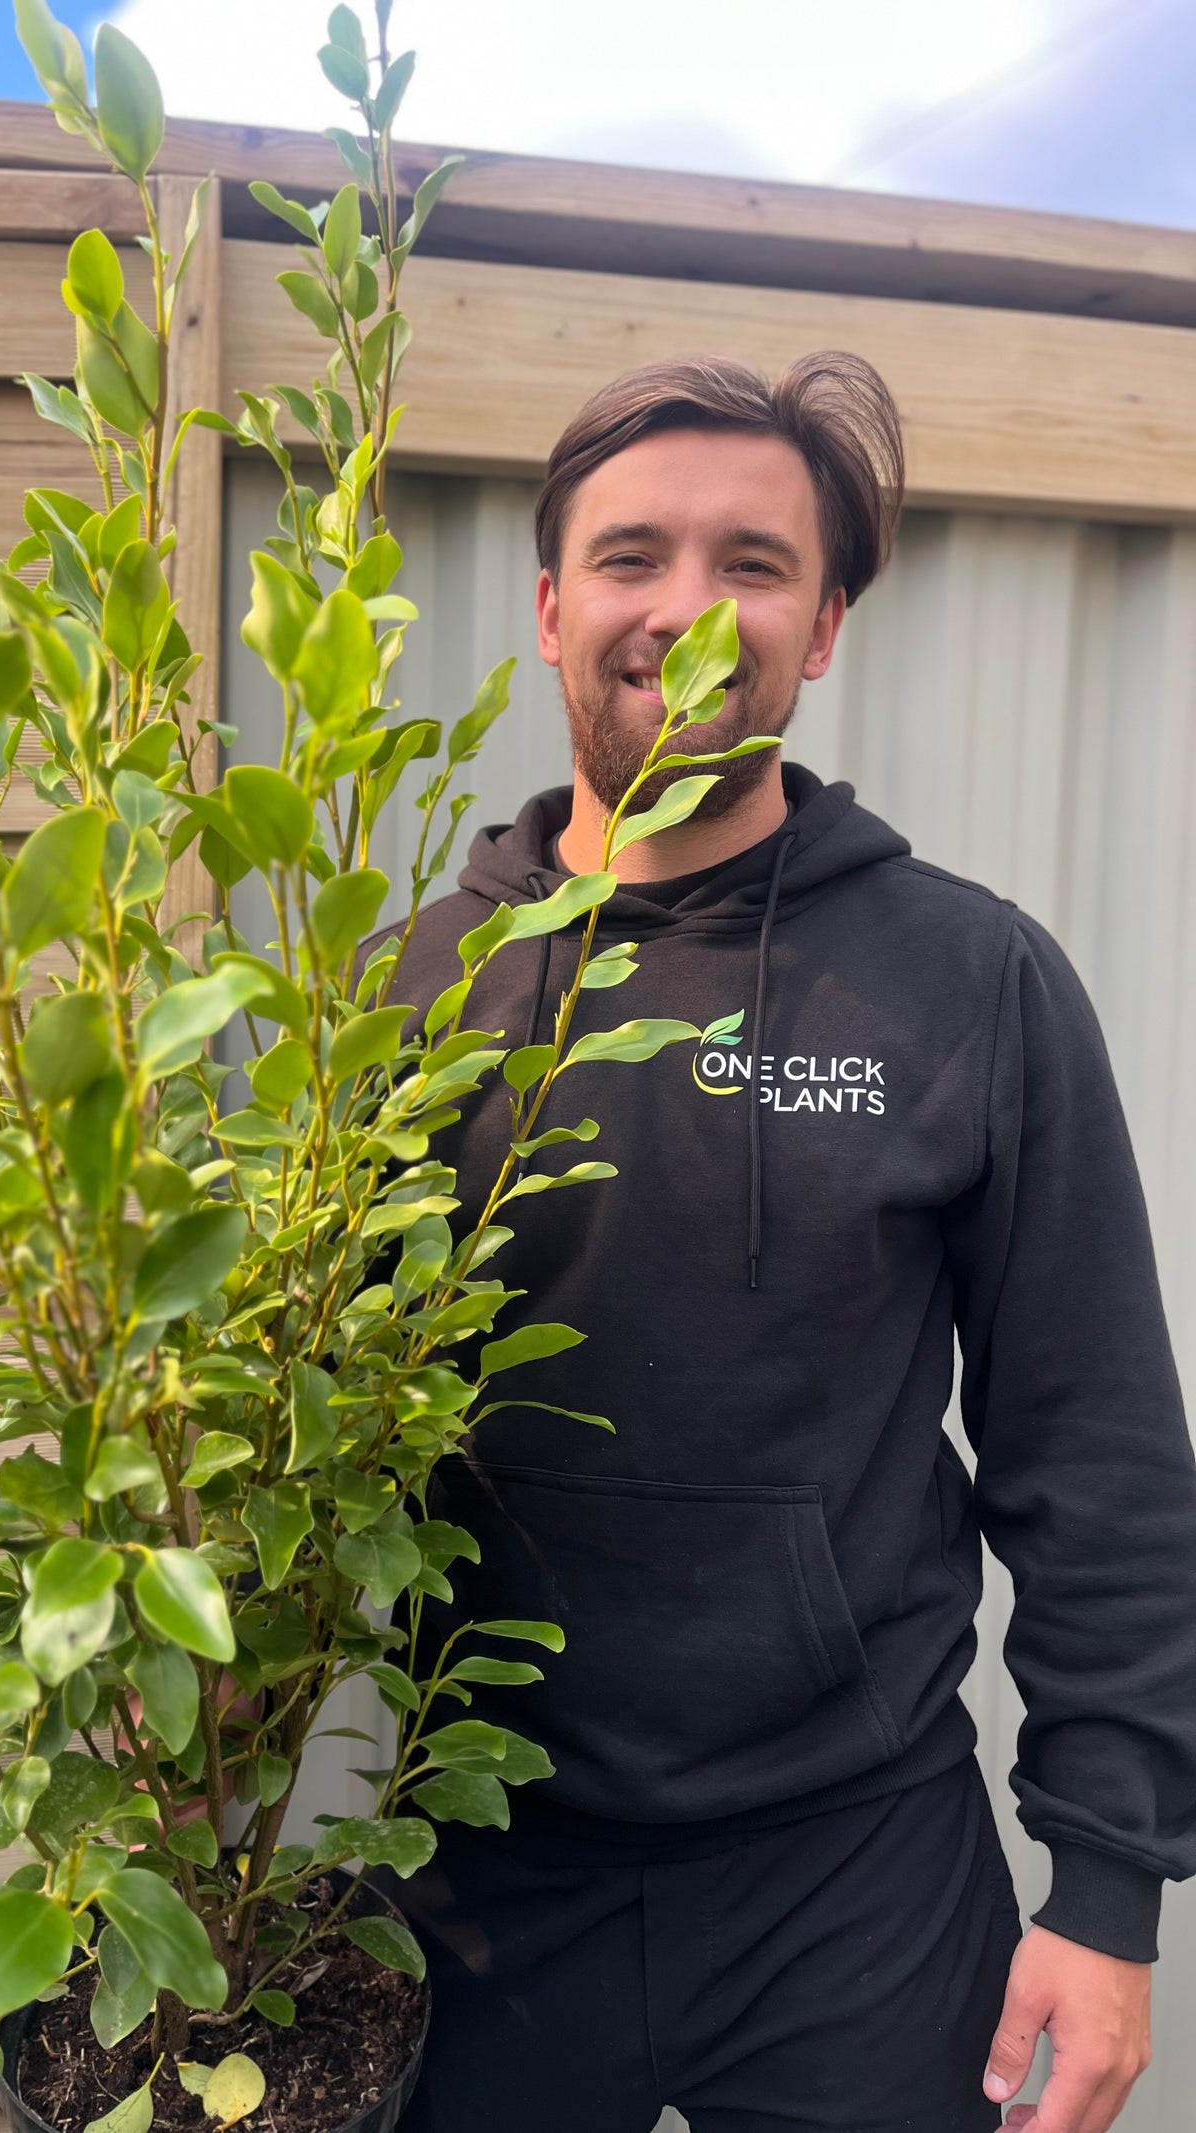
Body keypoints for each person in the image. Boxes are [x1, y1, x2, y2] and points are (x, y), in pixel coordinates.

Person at [383, 355, 1196, 2132]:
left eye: (752, 564)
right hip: (485, 1868)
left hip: (861, 1871)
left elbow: (1099, 1450)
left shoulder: (968, 980)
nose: (689, 608)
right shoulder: (409, 992)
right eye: (632, 555)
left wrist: (1108, 1890)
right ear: (549, 609)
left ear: (822, 627)